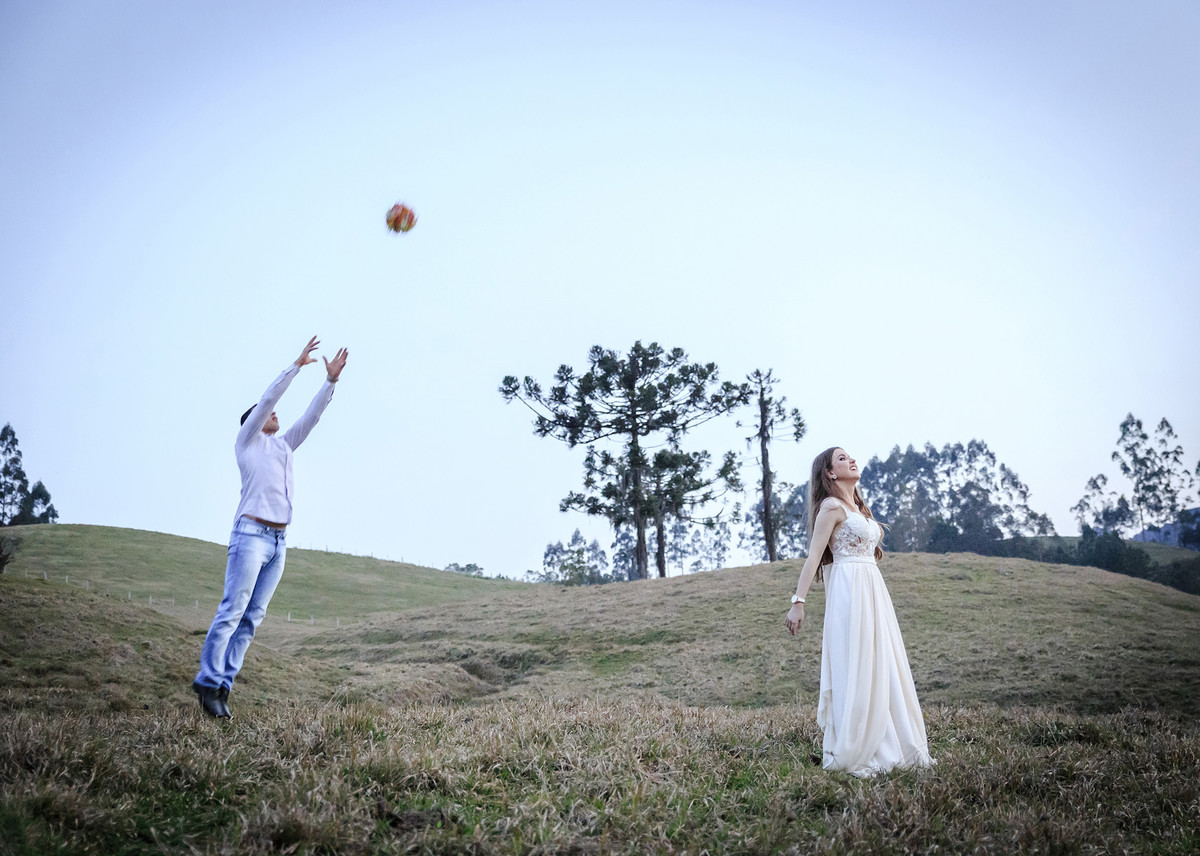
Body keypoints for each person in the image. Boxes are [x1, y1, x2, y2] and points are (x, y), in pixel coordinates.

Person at [192, 336, 348, 718]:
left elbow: (310, 419)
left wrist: (329, 383)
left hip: (278, 542)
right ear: (254, 422)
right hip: (250, 536)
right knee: (232, 611)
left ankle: (224, 688)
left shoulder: (283, 447)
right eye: (268, 414)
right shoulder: (247, 443)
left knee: (252, 619)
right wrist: (295, 367)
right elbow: (266, 401)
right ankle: (207, 681)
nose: (276, 415)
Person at [784, 446, 933, 776]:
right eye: (841, 458)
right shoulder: (831, 507)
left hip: (873, 589)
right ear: (830, 473)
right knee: (859, 661)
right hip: (849, 591)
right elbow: (813, 558)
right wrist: (798, 602)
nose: (851, 459)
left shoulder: (858, 507)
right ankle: (859, 744)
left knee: (884, 661)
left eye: (850, 456)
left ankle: (893, 741)